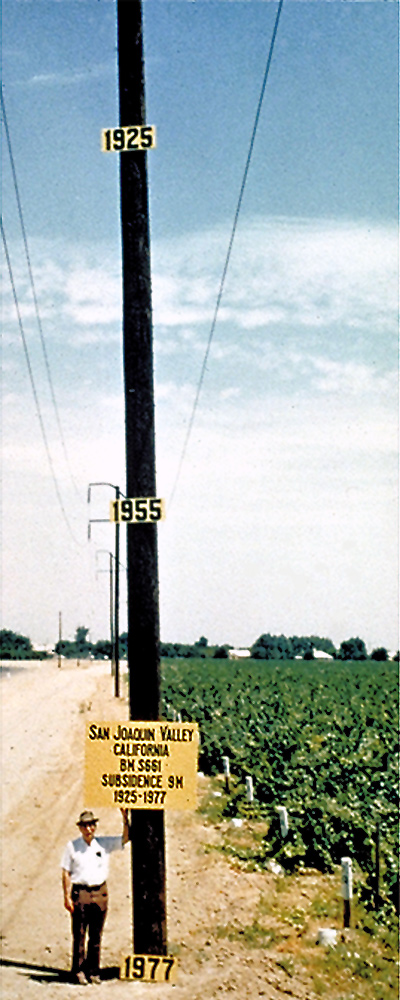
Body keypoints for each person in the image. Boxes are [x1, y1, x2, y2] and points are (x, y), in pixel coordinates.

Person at [61, 808, 130, 985]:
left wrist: (125, 818)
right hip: (81, 892)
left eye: (91, 825)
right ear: (80, 828)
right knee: (80, 934)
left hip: (100, 892)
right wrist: (67, 897)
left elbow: (125, 839)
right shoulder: (72, 846)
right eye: (85, 826)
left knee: (96, 935)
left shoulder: (103, 843)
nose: (89, 829)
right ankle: (78, 970)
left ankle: (93, 970)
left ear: (95, 826)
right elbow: (66, 872)